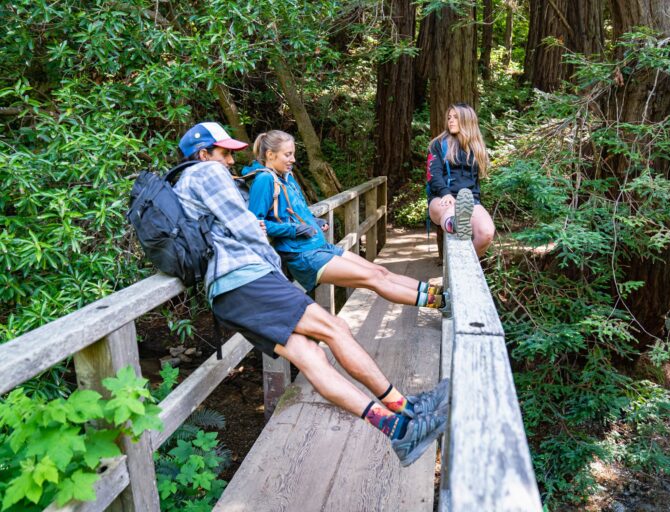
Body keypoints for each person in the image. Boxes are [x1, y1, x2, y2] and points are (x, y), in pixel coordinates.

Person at [173, 121, 449, 466]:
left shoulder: (182, 184)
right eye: (225, 153)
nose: (230, 161)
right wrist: (273, 260)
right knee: (335, 329)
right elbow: (245, 225)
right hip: (247, 279)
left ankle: (400, 427)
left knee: (311, 357)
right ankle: (404, 409)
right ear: (203, 154)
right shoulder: (205, 174)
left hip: (227, 295)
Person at [244, 130, 446, 309]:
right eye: (288, 155)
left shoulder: (285, 176)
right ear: (270, 155)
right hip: (304, 255)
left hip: (319, 246)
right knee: (374, 279)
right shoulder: (264, 180)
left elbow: (298, 211)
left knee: (379, 270)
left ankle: (437, 292)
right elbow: (255, 225)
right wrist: (294, 230)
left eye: (293, 154)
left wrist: (313, 223)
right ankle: (441, 304)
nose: (293, 160)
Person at [427, 103, 495, 256]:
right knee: (451, 212)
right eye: (449, 117)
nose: (450, 120)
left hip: (470, 200)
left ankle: (466, 263)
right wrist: (445, 193)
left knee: (486, 233)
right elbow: (433, 174)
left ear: (467, 120)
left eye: (456, 117)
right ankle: (456, 225)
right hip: (442, 197)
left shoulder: (476, 148)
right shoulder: (438, 144)